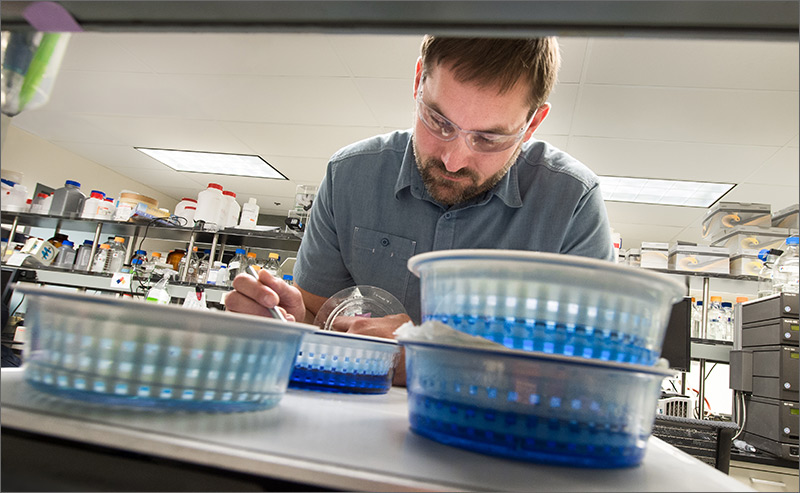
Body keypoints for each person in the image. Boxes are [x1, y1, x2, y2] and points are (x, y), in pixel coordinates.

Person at [225, 35, 613, 384]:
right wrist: (290, 324)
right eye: (439, 121)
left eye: (489, 138)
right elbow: (318, 315)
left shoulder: (572, 202)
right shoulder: (349, 176)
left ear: (532, 125)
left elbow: (592, 375)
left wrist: (431, 361)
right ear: (417, 82)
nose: (454, 159)